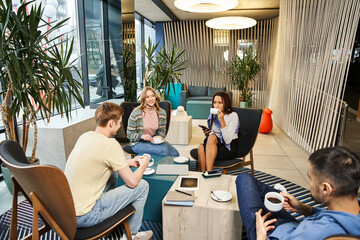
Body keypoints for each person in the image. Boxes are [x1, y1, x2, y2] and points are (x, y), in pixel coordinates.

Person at [65, 102, 153, 240]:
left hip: (67, 213)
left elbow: (98, 161)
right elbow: (132, 182)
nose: (119, 127)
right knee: (142, 186)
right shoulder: (111, 144)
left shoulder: (85, 136)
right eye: (119, 123)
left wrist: (125, 163)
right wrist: (143, 165)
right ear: (111, 123)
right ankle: (133, 236)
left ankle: (108, 226)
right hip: (85, 216)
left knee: (112, 172)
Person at [236, 146, 360, 240]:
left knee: (244, 178)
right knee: (263, 191)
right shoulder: (354, 209)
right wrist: (302, 208)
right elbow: (337, 216)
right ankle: (273, 197)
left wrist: (261, 235)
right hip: (293, 227)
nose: (309, 183)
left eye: (310, 178)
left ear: (326, 189)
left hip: (271, 234)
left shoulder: (315, 232)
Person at [127, 86, 179, 157]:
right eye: (147, 97)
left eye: (153, 96)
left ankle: (168, 167)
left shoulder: (161, 112)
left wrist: (159, 138)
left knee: (176, 154)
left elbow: (162, 131)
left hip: (153, 140)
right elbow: (129, 134)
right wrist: (142, 136)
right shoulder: (136, 112)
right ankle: (159, 167)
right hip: (138, 142)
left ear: (155, 97)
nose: (151, 99)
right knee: (164, 151)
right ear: (143, 99)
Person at [196, 91, 239, 171]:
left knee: (212, 138)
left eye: (220, 103)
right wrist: (207, 133)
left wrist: (222, 121)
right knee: (200, 148)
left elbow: (227, 140)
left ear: (226, 103)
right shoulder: (213, 114)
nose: (216, 105)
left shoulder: (233, 116)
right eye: (215, 102)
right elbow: (214, 133)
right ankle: (203, 174)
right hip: (215, 144)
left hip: (228, 147)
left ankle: (209, 172)